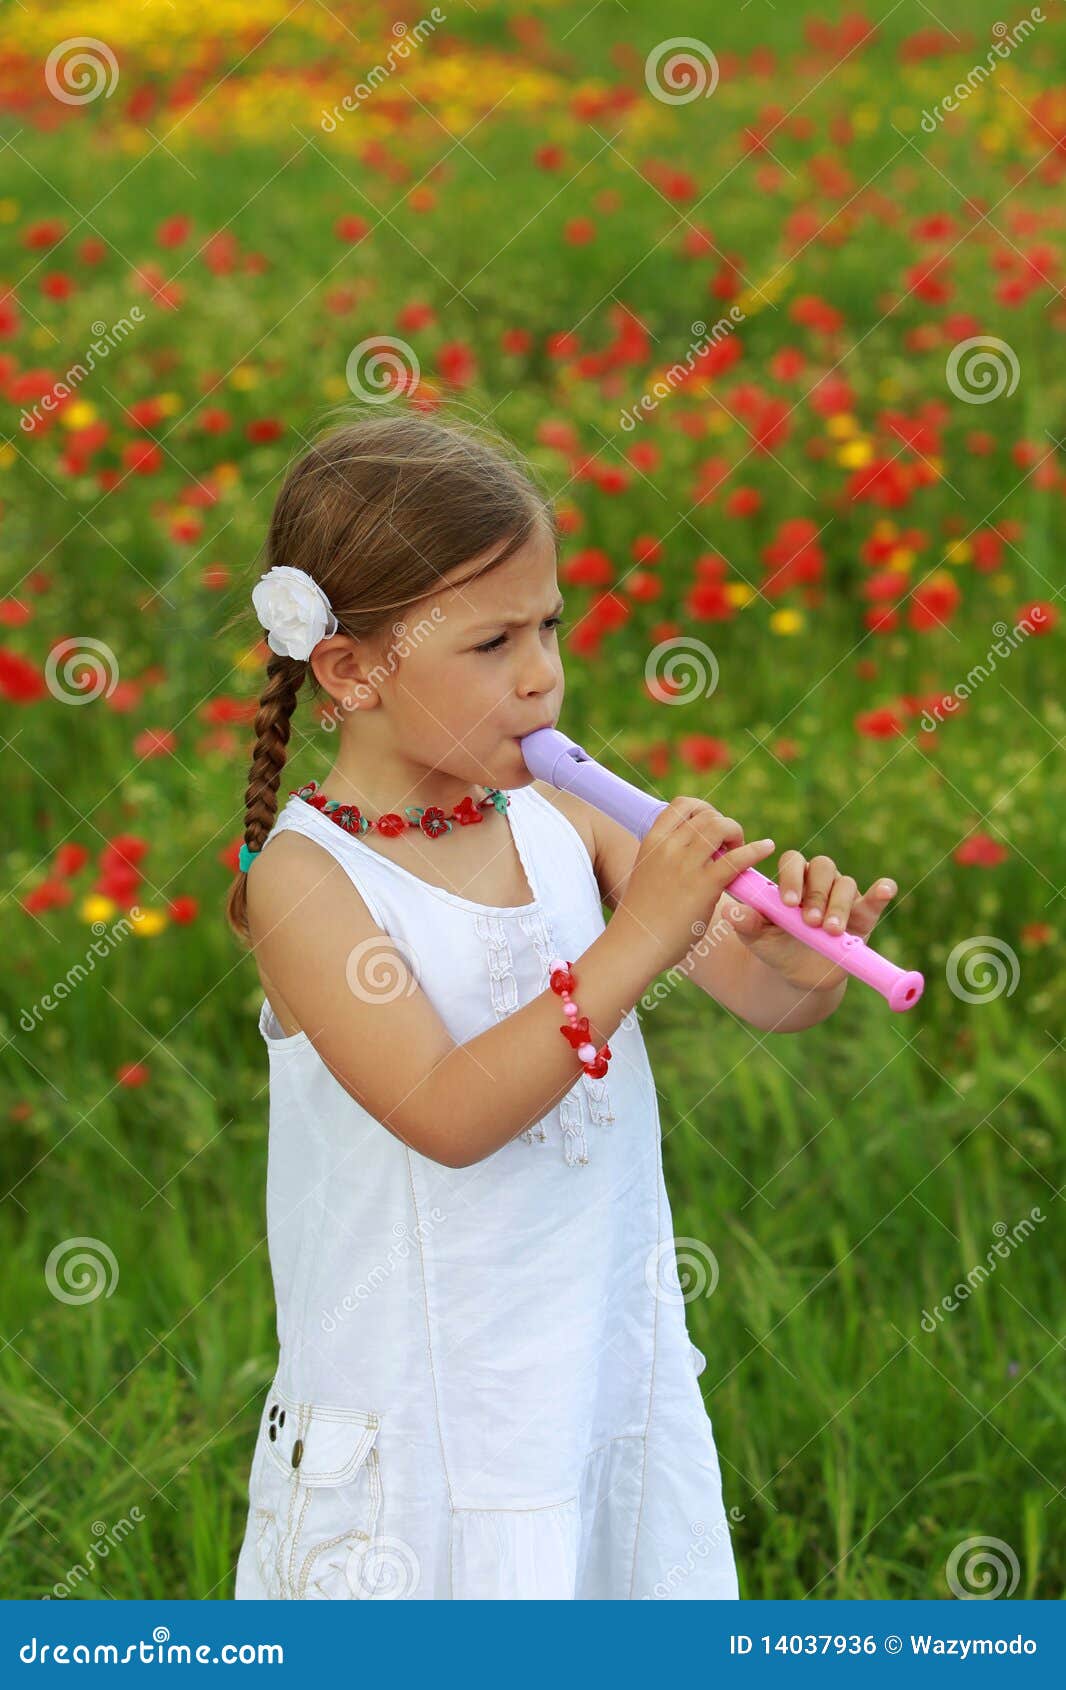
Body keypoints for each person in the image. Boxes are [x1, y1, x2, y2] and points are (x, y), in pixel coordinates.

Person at [227, 407, 898, 1600]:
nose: (541, 673)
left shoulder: (563, 819)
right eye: (491, 644)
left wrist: (793, 966)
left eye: (548, 626)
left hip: (592, 1384)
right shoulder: (303, 884)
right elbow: (445, 1110)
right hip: (424, 1423)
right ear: (351, 669)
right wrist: (640, 935)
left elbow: (753, 992)